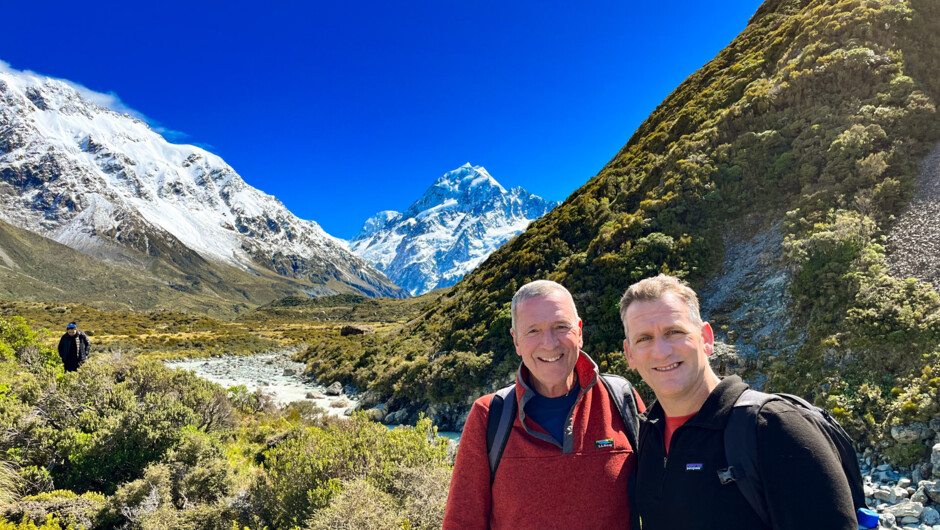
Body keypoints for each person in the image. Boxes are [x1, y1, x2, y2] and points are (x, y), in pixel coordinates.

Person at [619, 274, 855, 529]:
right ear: (629, 354)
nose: (662, 351)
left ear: (706, 338)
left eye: (674, 332)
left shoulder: (774, 427)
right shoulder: (648, 432)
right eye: (644, 339)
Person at [443, 280, 644, 529]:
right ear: (516, 341)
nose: (549, 343)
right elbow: (462, 522)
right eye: (533, 331)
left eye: (561, 327)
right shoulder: (489, 416)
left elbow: (662, 500)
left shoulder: (621, 400)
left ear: (579, 332)